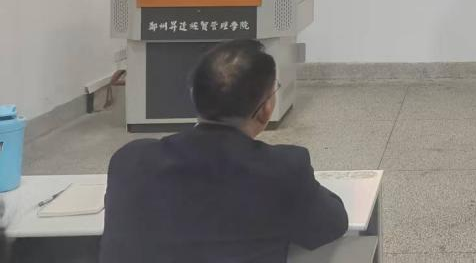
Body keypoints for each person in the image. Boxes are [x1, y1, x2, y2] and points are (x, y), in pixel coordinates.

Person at [100, 40, 348, 263]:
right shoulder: (283, 168)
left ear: (193, 95)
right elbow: (331, 224)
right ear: (266, 109)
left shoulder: (130, 160)